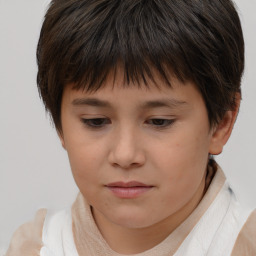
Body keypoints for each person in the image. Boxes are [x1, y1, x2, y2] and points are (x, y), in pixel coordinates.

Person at [5, 0, 256, 255]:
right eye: (95, 121)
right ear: (60, 125)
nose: (125, 155)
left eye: (159, 121)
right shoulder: (35, 248)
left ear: (222, 123)